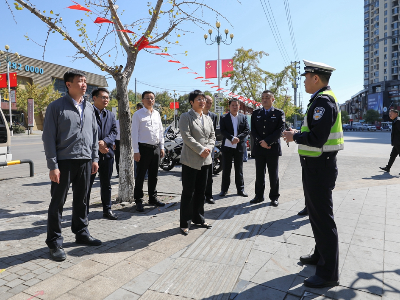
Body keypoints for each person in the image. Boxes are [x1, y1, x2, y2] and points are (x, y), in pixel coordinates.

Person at [283, 60, 344, 288]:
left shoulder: (323, 102)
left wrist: (294, 137)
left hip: (320, 166)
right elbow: (316, 132)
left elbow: (317, 139)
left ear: (315, 78)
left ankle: (328, 273)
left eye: (306, 77)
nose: (305, 81)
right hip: (316, 165)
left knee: (323, 219)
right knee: (316, 216)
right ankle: (320, 256)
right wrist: (299, 132)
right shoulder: (320, 100)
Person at [42, 70, 102, 262]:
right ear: (68, 84)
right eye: (80, 81)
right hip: (64, 162)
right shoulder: (56, 107)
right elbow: (48, 137)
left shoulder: (90, 108)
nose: (84, 84)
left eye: (85, 81)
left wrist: (94, 158)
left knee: (82, 200)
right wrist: (53, 166)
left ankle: (81, 232)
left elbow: (94, 135)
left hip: (85, 160)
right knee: (57, 202)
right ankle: (54, 242)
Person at [179, 90, 215, 235]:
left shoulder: (208, 118)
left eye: (203, 99)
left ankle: (199, 219)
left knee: (201, 191)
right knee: (189, 192)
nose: (202, 102)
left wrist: (209, 148)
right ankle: (185, 223)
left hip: (206, 159)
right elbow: (186, 136)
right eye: (198, 99)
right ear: (191, 102)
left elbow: (213, 136)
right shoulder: (185, 117)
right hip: (190, 160)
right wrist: (201, 149)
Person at [86, 88, 118, 220]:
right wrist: (98, 145)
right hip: (90, 156)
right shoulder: (87, 113)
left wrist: (105, 142)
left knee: (106, 184)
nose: (106, 100)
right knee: (87, 184)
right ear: (94, 98)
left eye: (107, 97)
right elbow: (85, 132)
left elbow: (114, 132)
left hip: (107, 154)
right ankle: (84, 212)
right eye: (103, 97)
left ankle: (107, 209)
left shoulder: (110, 115)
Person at [249, 91, 285, 207]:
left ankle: (274, 197)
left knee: (273, 174)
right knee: (259, 174)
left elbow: (280, 130)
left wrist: (268, 142)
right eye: (263, 98)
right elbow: (253, 130)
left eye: (267, 98)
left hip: (272, 148)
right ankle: (258, 196)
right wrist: (261, 142)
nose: (264, 100)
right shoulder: (256, 113)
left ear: (272, 99)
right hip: (259, 148)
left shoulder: (279, 113)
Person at [131, 91, 165, 212]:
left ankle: (152, 197)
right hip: (143, 149)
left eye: (152, 98)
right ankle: (138, 200)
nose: (150, 100)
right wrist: (136, 151)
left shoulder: (157, 114)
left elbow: (160, 131)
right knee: (140, 175)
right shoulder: (138, 115)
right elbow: (134, 133)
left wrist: (162, 147)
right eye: (148, 98)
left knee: (153, 175)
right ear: (143, 100)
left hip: (155, 148)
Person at [218, 98, 250, 197]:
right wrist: (231, 138)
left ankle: (240, 189)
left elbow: (247, 130)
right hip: (227, 147)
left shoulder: (243, 117)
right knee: (226, 169)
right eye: (233, 105)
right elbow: (222, 130)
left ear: (239, 106)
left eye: (236, 105)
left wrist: (238, 138)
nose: (235, 107)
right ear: (229, 106)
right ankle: (224, 190)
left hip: (239, 147)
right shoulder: (223, 117)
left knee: (239, 169)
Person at [203, 95, 218, 204]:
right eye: (207, 102)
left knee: (209, 174)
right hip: (196, 149)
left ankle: (209, 195)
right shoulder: (193, 115)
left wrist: (209, 147)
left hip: (209, 149)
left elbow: (213, 134)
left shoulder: (213, 116)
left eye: (210, 103)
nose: (208, 105)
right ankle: (199, 195)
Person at [380, 109, 400, 173]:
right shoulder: (395, 121)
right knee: (392, 155)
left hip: (399, 142)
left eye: (391, 113)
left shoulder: (398, 121)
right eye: (389, 114)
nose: (390, 115)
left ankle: (388, 167)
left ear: (396, 114)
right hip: (396, 142)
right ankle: (388, 168)